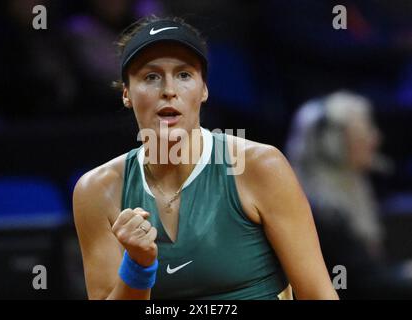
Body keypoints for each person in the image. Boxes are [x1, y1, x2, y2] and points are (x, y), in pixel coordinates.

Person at [73, 15, 338, 300]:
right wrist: (138, 267)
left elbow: (319, 295)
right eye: (151, 76)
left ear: (204, 90)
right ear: (126, 93)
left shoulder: (260, 167)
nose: (169, 91)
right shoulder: (97, 191)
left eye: (184, 75)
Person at [285, 91, 412, 299]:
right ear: (334, 143)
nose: (375, 138)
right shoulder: (320, 210)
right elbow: (360, 284)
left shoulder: (355, 191)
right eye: (365, 130)